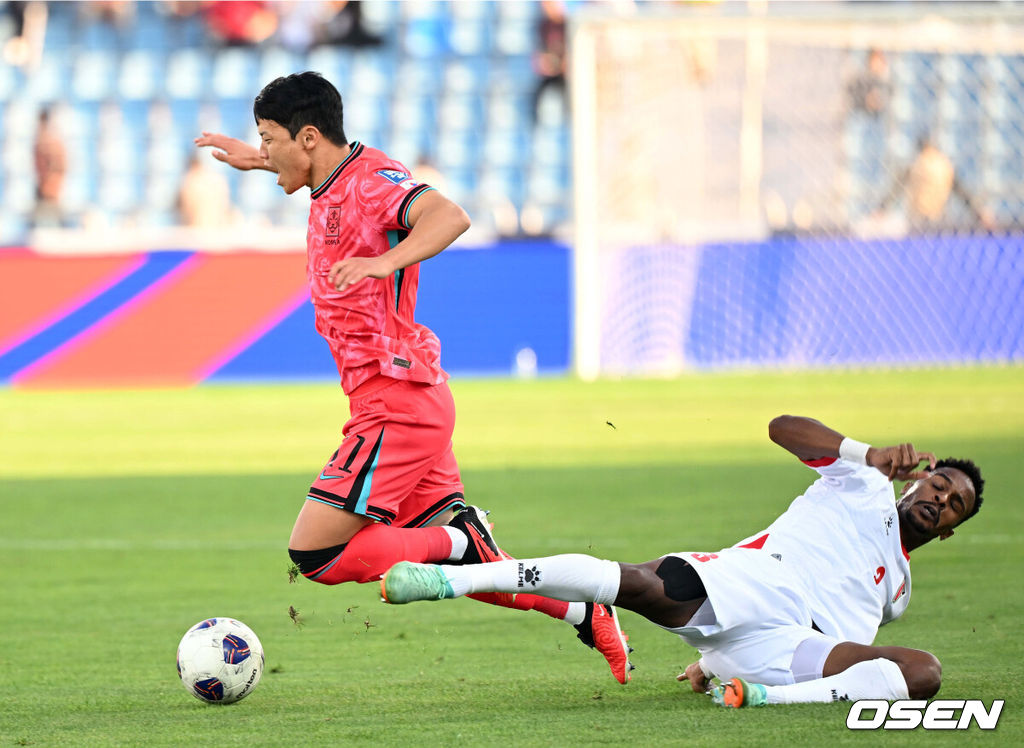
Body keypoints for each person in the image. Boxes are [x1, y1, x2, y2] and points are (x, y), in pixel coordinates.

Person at [194, 72, 631, 683]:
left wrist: (383, 260)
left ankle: (459, 537)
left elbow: (449, 216)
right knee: (469, 576)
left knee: (315, 554)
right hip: (401, 401)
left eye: (269, 139)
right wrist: (262, 162)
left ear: (310, 137)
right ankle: (583, 612)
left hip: (395, 403)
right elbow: (307, 173)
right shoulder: (328, 176)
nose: (262, 151)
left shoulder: (372, 181)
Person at [381, 414, 985, 707]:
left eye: (956, 504)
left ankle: (758, 692)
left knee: (923, 672)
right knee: (637, 584)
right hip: (756, 584)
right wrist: (867, 451)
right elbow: (783, 428)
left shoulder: (899, 592)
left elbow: (861, 643)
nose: (942, 501)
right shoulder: (866, 481)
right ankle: (451, 578)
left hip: (793, 648)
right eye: (941, 485)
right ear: (921, 479)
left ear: (953, 529)